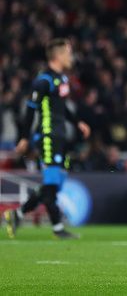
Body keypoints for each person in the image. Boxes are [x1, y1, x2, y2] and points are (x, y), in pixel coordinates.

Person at [4, 38, 91, 239]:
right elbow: (30, 109)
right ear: (58, 56)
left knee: (55, 183)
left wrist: (77, 122)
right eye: (68, 53)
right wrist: (24, 137)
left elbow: (63, 108)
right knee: (51, 183)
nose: (71, 57)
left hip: (61, 136)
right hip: (49, 136)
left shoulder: (62, 80)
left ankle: (17, 214)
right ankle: (58, 228)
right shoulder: (43, 81)